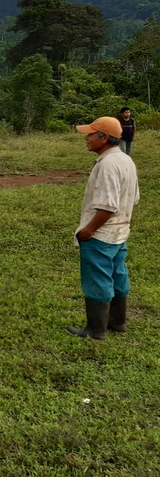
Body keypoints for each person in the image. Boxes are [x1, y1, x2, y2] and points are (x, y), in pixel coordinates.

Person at [67, 117, 139, 340]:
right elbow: (134, 198)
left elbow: (107, 206)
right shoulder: (125, 160)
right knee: (118, 275)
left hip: (101, 234)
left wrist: (88, 230)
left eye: (90, 134)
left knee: (97, 279)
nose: (86, 139)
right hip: (120, 232)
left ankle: (96, 330)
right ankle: (118, 322)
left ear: (104, 137)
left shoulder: (107, 165)